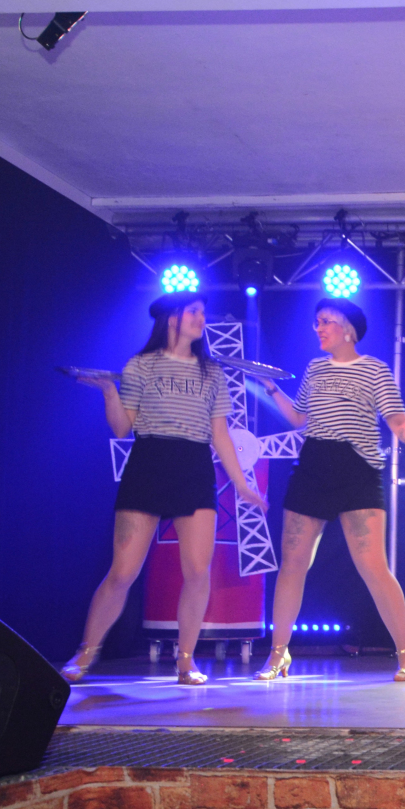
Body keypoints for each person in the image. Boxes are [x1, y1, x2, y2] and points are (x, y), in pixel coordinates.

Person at [63, 292, 266, 686]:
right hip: (149, 463)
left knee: (198, 571)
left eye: (203, 312)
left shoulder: (212, 372)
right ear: (172, 318)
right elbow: (122, 427)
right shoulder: (140, 364)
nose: (201, 318)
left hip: (194, 467)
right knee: (123, 572)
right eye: (194, 312)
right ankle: (86, 652)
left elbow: (220, 434)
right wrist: (109, 392)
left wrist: (242, 484)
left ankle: (185, 661)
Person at [251, 298, 405, 682]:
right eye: (317, 321)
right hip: (314, 465)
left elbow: (396, 419)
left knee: (373, 566)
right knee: (292, 563)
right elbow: (298, 417)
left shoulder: (375, 369)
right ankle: (278, 653)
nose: (319, 328)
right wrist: (271, 387)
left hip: (358, 468)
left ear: (348, 329)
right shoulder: (315, 368)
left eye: (326, 321)